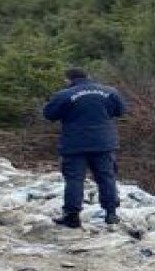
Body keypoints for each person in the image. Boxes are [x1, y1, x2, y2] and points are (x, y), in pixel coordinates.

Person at [43, 68, 128, 229]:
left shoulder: (64, 95)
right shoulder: (110, 92)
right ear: (88, 77)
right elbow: (122, 111)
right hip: (103, 144)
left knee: (75, 180)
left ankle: (72, 216)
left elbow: (49, 115)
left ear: (68, 80)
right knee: (106, 178)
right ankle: (111, 214)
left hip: (75, 145)